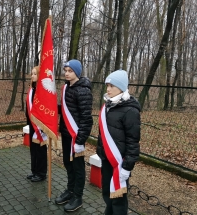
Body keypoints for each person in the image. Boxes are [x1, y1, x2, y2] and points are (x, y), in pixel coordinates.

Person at [96, 70, 141, 215]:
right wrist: (100, 150)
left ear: (121, 87)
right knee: (107, 192)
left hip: (120, 163)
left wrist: (127, 167)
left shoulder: (130, 111)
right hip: (106, 159)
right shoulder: (108, 105)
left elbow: (133, 141)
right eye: (107, 85)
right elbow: (102, 133)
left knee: (119, 197)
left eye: (112, 86)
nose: (108, 89)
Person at [55, 59, 93, 212]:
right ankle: (70, 191)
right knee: (68, 164)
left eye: (70, 71)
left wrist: (80, 141)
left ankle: (78, 196)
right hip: (65, 133)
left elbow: (86, 118)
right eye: (65, 70)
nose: (66, 73)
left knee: (78, 167)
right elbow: (65, 109)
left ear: (77, 72)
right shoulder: (66, 88)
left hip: (76, 136)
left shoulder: (83, 91)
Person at [25, 66, 48, 182]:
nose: (32, 76)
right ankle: (34, 171)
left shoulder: (43, 91)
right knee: (33, 150)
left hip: (40, 126)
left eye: (35, 74)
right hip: (32, 125)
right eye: (32, 73)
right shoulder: (31, 89)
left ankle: (41, 173)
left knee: (41, 151)